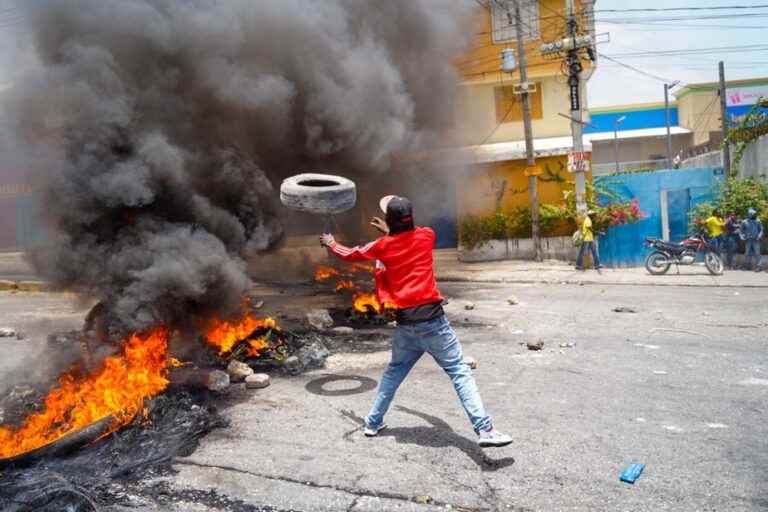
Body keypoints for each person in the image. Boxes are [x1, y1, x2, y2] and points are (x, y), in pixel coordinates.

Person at [319, 195, 512, 448]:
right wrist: (392, 230)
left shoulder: (382, 246)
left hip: (406, 325)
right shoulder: (427, 236)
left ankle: (372, 422)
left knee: (394, 373)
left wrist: (332, 243)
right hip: (433, 322)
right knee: (459, 372)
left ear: (389, 221)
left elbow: (352, 253)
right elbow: (408, 236)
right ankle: (484, 430)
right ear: (411, 218)